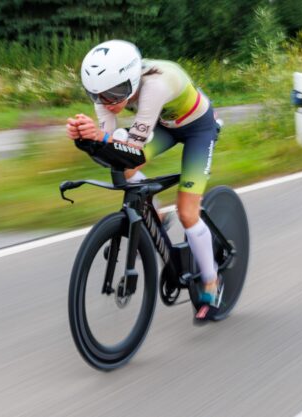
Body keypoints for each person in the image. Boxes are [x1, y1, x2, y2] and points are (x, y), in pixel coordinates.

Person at [66, 39, 221, 323]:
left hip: (198, 128)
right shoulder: (106, 95)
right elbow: (114, 150)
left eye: (115, 94)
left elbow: (132, 149)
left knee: (187, 213)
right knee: (123, 165)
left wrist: (99, 136)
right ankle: (156, 215)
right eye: (97, 95)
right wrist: (86, 137)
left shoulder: (156, 87)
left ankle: (211, 281)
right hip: (165, 126)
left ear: (133, 79)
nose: (107, 103)